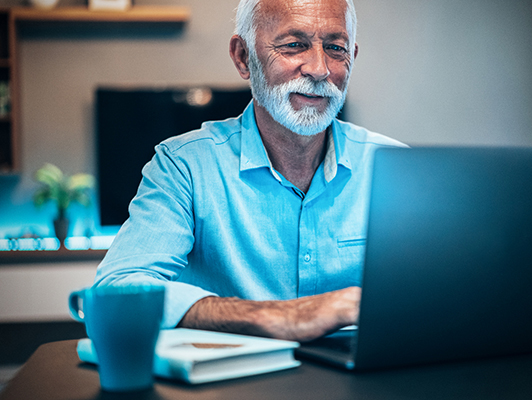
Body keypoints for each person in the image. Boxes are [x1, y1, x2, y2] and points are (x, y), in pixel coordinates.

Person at [94, 0, 406, 342]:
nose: (320, 68)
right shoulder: (183, 166)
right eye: (294, 45)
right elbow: (118, 290)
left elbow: (446, 289)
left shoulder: (396, 168)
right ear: (243, 57)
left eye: (335, 48)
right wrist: (276, 317)